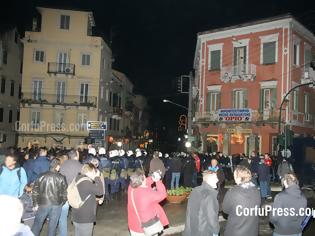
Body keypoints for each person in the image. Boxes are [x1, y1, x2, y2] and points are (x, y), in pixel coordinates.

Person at [31, 158, 68, 236]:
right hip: (56, 205)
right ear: (57, 166)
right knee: (53, 226)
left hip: (43, 203)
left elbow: (35, 191)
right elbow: (65, 193)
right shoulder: (61, 177)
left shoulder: (41, 176)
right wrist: (62, 202)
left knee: (37, 224)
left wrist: (35, 203)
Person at [223, 166, 261, 236]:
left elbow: (225, 210)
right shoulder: (256, 191)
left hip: (235, 231)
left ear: (240, 178)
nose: (234, 179)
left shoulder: (232, 192)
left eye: (235, 176)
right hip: (252, 230)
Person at [128, 170, 169, 236]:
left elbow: (145, 181)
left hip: (134, 226)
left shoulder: (131, 188)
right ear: (142, 181)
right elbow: (163, 194)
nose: (146, 179)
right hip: (148, 228)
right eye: (145, 177)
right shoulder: (147, 193)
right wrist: (158, 180)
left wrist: (153, 177)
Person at [183, 171, 220, 236]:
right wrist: (216, 230)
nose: (217, 180)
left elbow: (189, 211)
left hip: (192, 228)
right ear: (209, 180)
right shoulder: (210, 195)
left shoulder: (195, 190)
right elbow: (211, 217)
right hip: (205, 231)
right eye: (215, 178)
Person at [72, 163, 104, 236]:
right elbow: (100, 191)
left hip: (76, 216)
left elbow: (84, 193)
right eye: (94, 171)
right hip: (85, 219)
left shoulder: (77, 178)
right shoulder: (86, 182)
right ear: (91, 171)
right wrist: (97, 177)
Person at [58, 149, 83, 236]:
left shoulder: (63, 165)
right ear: (77, 155)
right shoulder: (81, 166)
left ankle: (63, 234)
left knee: (62, 217)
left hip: (64, 193)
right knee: (77, 216)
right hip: (76, 194)